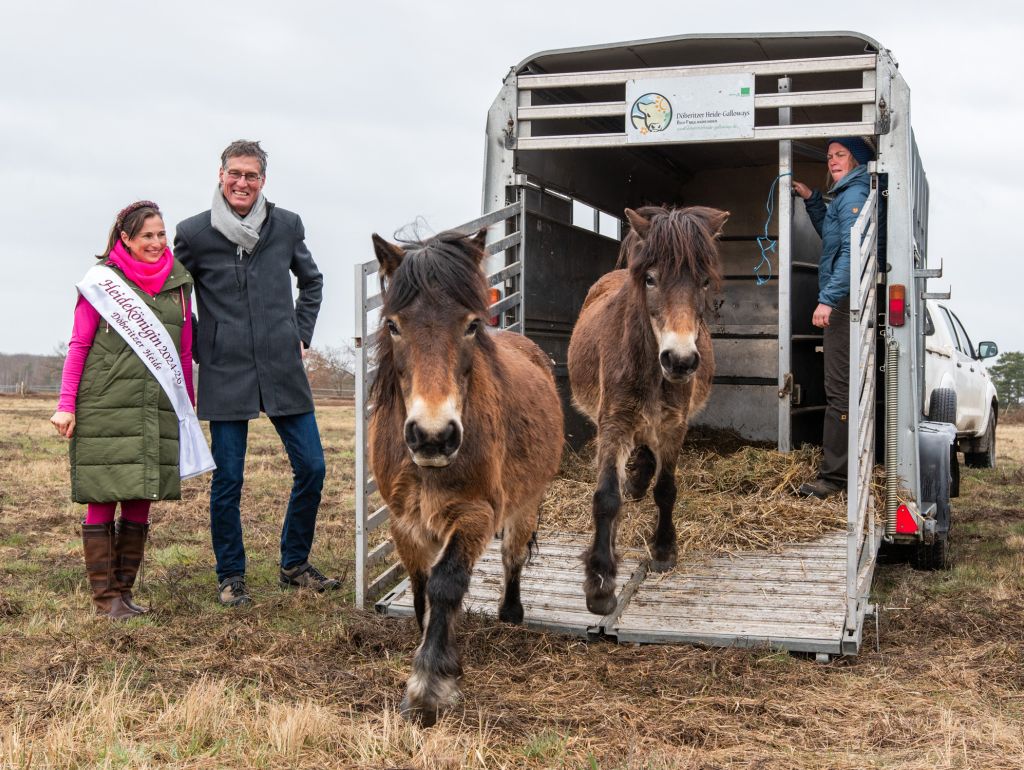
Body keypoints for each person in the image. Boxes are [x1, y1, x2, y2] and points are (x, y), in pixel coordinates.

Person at [174, 139, 338, 606]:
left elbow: (312, 282)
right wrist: (206, 341)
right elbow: (176, 296)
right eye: (234, 174)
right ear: (220, 175)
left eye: (251, 175)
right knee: (229, 480)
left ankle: (294, 563)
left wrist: (300, 332)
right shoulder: (194, 234)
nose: (242, 183)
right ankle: (231, 576)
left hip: (282, 367)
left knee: (313, 467)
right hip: (227, 372)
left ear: (263, 180)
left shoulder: (285, 225)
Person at [51, 201, 198, 618]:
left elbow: (183, 351)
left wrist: (186, 403)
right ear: (126, 240)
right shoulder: (102, 283)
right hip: (105, 402)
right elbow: (79, 345)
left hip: (157, 403)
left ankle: (123, 593)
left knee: (142, 492)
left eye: (161, 235)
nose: (156, 243)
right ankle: (105, 599)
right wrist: (66, 405)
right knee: (104, 492)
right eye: (147, 236)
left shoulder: (179, 284)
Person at [792, 137, 874, 499]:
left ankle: (835, 479)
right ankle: (842, 471)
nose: (832, 161)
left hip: (843, 304)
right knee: (840, 389)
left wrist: (827, 300)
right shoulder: (845, 196)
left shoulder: (853, 196)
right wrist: (812, 199)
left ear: (857, 160)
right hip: (842, 301)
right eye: (829, 157)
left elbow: (852, 257)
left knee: (839, 391)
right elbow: (834, 238)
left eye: (840, 155)